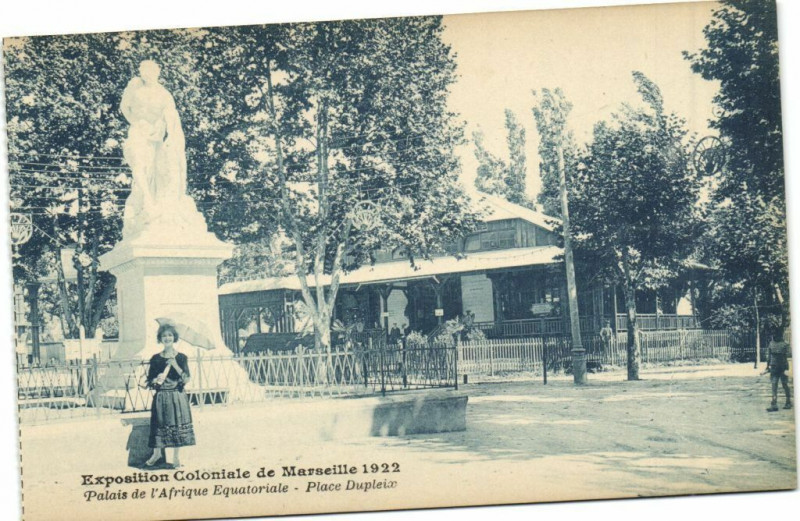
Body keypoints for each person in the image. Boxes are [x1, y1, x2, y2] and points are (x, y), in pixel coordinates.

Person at [144, 324, 195, 468]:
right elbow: (150, 381)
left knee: (177, 426)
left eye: (170, 335)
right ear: (160, 339)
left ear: (174, 338)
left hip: (177, 396)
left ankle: (176, 458)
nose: (167, 338)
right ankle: (157, 454)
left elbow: (186, 379)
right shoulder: (155, 359)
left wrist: (176, 366)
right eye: (164, 335)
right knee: (159, 425)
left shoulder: (181, 357)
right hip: (161, 397)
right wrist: (156, 379)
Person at [762, 326, 792, 412]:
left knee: (784, 385)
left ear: (780, 335)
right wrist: (768, 366)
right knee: (774, 385)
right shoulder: (771, 343)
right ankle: (774, 404)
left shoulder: (785, 344)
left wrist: (787, 368)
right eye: (773, 334)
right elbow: (769, 356)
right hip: (774, 367)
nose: (774, 336)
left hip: (782, 368)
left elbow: (789, 356)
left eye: (775, 334)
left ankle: (788, 401)